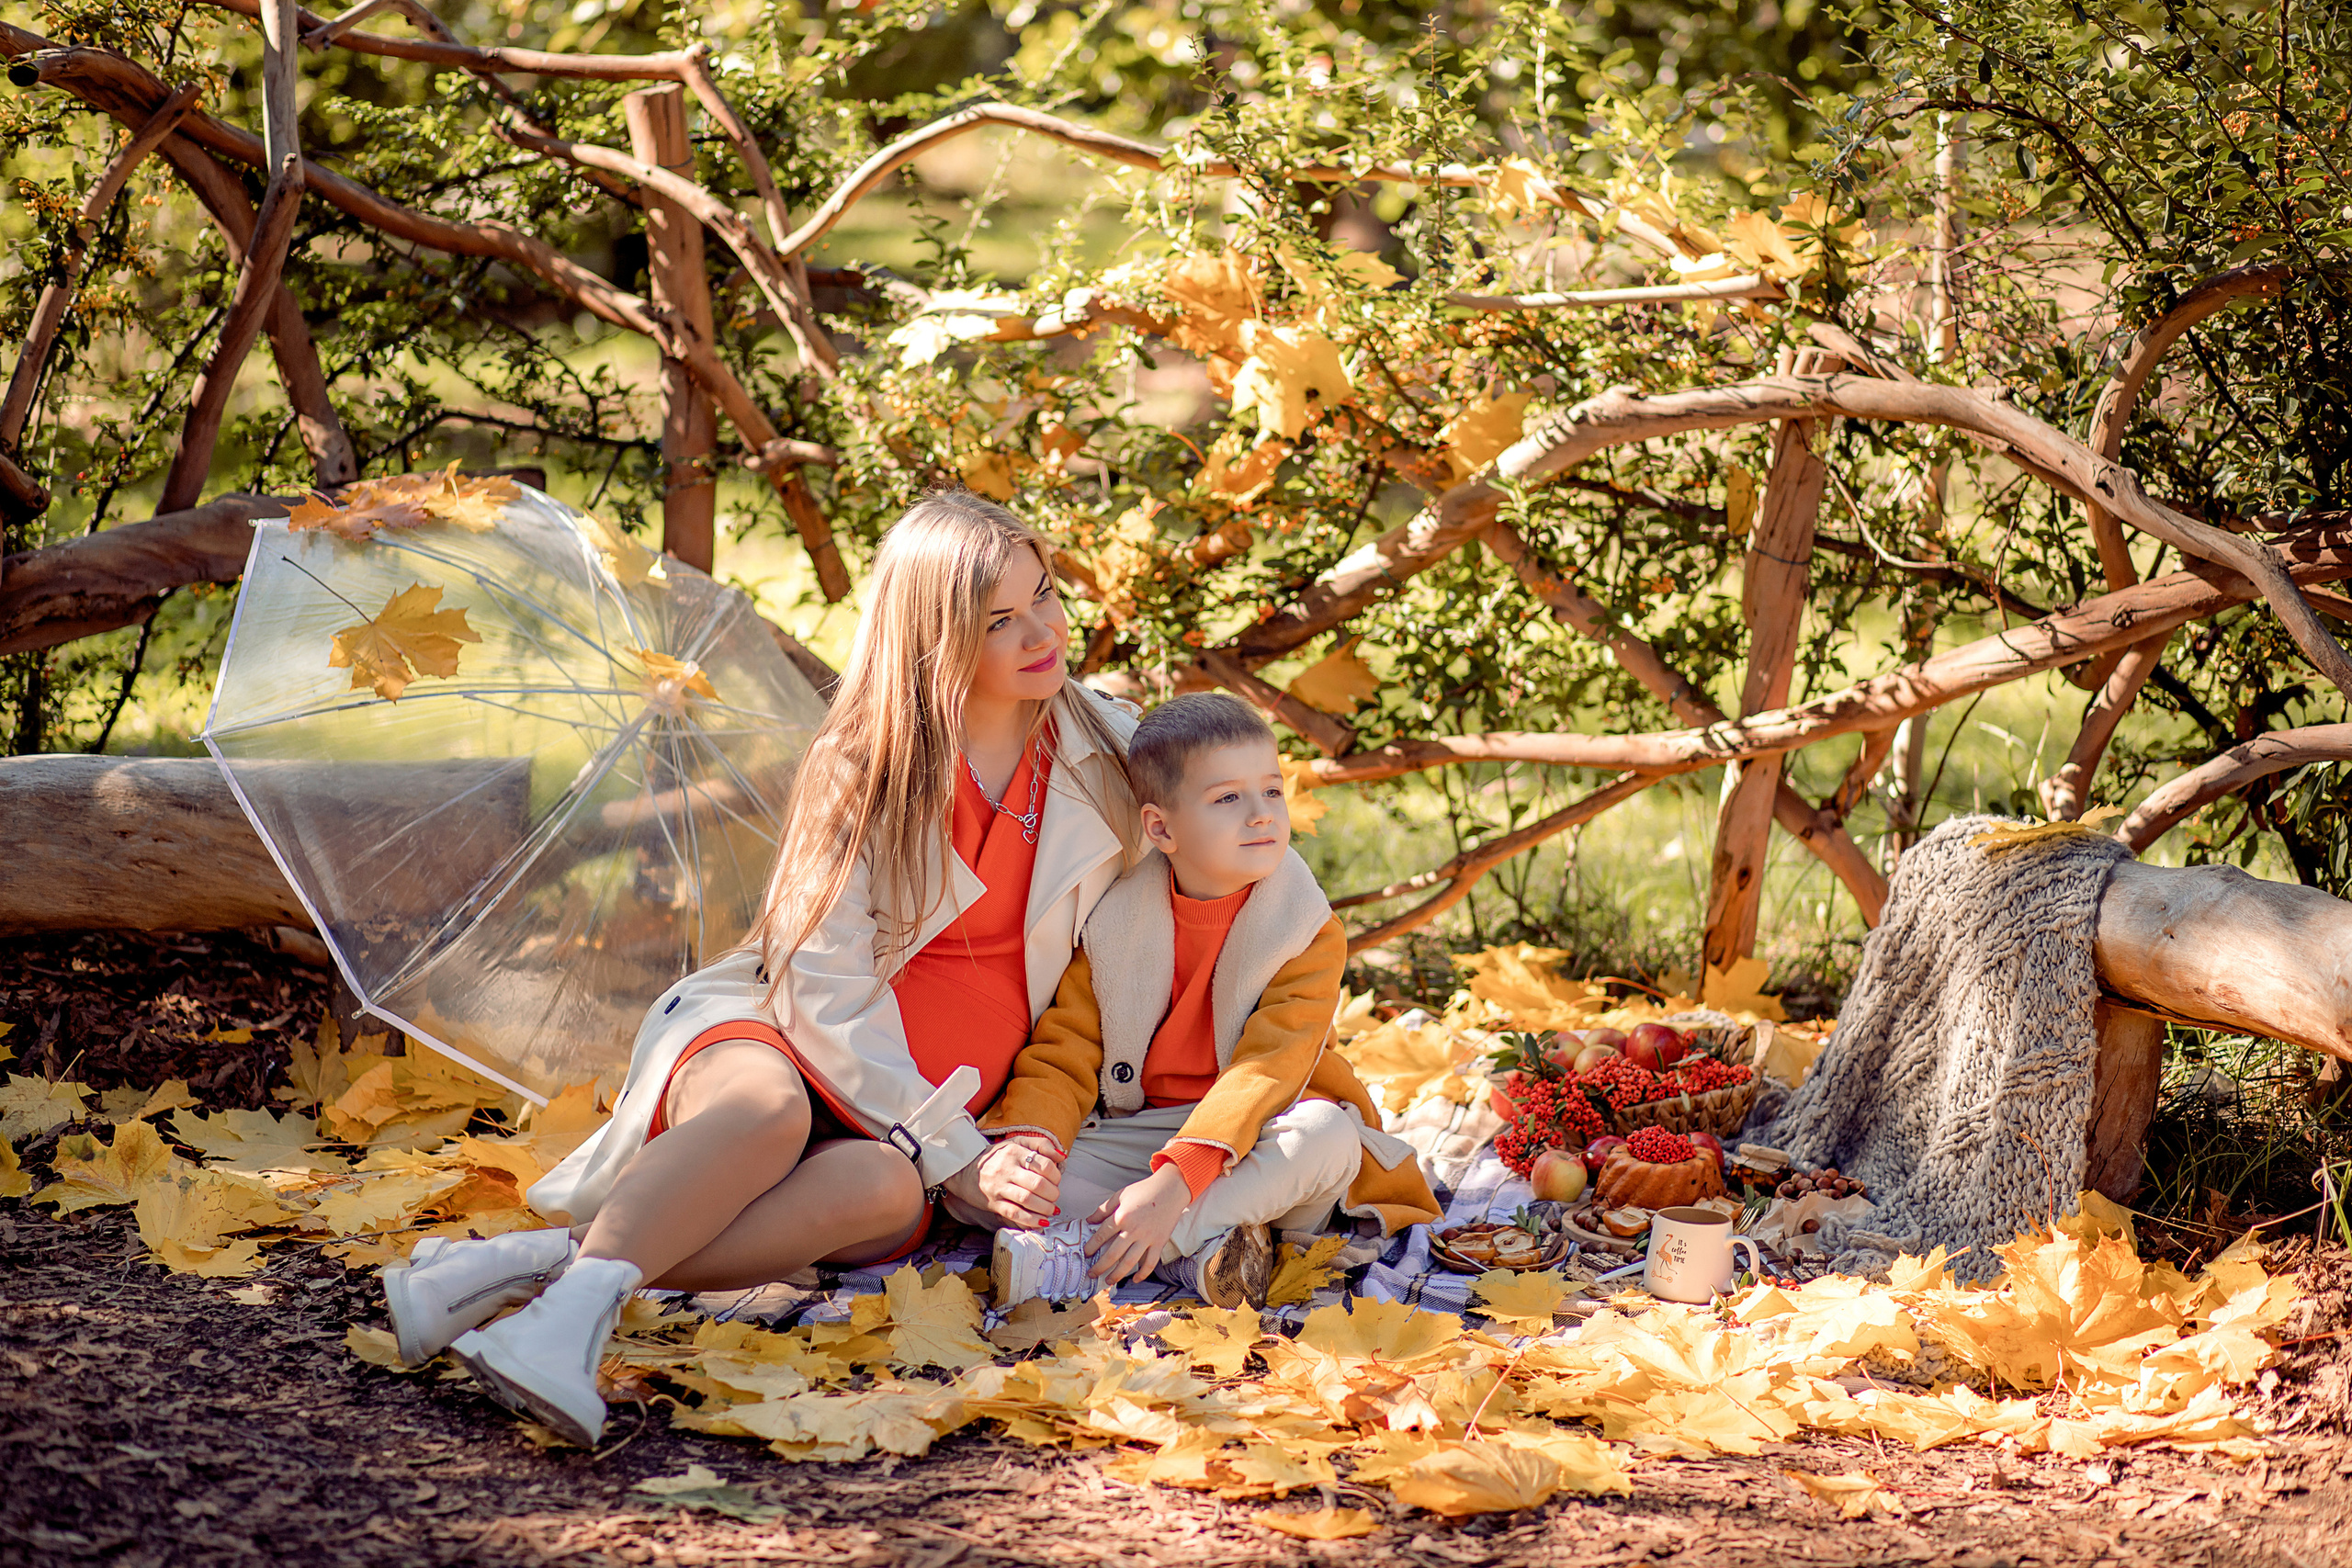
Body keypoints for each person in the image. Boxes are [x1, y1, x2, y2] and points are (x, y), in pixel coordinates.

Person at [379, 490, 1137, 1444]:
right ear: (936, 636)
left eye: (1044, 595)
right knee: (769, 1112)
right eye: (998, 619)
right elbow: (817, 991)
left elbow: (1212, 884)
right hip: (776, 1035)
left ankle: (525, 1271)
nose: (1041, 630)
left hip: (920, 1121)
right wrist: (960, 1158)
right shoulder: (864, 767)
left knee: (885, 1192)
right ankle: (557, 1333)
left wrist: (957, 1155)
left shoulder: (1105, 750)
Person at [981, 693, 1439, 1310]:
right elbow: (1066, 1047)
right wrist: (1033, 1143)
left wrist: (1174, 1184)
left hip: (1266, 1132)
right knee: (998, 1180)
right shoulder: (1117, 921)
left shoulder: (1304, 926)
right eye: (1228, 798)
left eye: (1272, 791)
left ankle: (1093, 1254)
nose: (1261, 815)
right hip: (1150, 1127)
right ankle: (1201, 1253)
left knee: (1328, 1134)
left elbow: (1270, 1066)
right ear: (1162, 827)